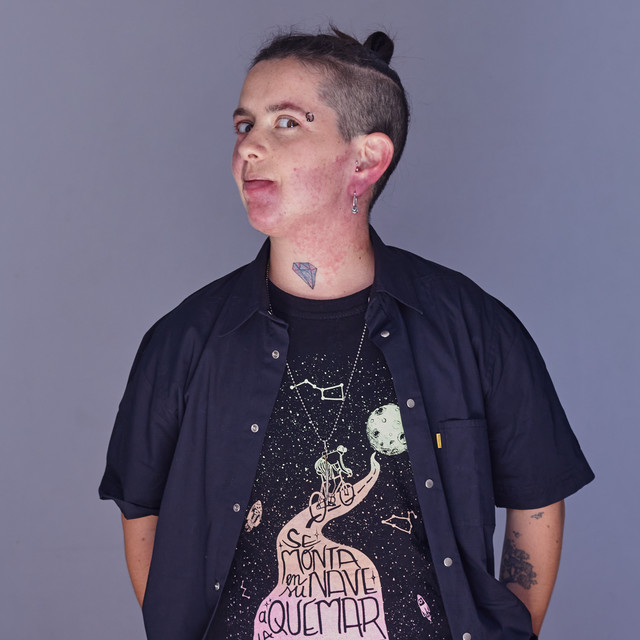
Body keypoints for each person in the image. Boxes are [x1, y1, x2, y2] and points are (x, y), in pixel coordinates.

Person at [99, 28, 594, 640]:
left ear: (366, 160)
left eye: (285, 123)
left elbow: (538, 499)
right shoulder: (183, 343)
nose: (249, 146)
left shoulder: (473, 329)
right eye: (244, 124)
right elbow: (142, 511)